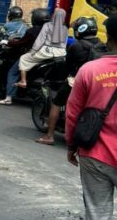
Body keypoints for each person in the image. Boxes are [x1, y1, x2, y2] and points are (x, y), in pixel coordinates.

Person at [65, 13, 117, 220]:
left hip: (96, 155)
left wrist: (71, 146)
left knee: (99, 214)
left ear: (109, 37)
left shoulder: (90, 70)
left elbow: (73, 114)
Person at [36, 16, 102, 145]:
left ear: (80, 30)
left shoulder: (76, 46)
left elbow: (67, 67)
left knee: (56, 103)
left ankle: (49, 136)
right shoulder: (102, 45)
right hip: (98, 83)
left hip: (77, 81)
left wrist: (61, 76)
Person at [0, 7, 51, 105]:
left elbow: (21, 43)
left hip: (34, 56)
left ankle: (8, 98)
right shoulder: (52, 30)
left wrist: (7, 42)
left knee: (13, 73)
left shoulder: (32, 31)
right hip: (49, 57)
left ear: (35, 18)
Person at [16, 7, 67, 89]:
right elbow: (64, 43)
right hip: (61, 53)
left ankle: (23, 81)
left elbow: (40, 40)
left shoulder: (48, 25)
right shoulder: (65, 28)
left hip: (46, 52)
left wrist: (32, 51)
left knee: (24, 58)